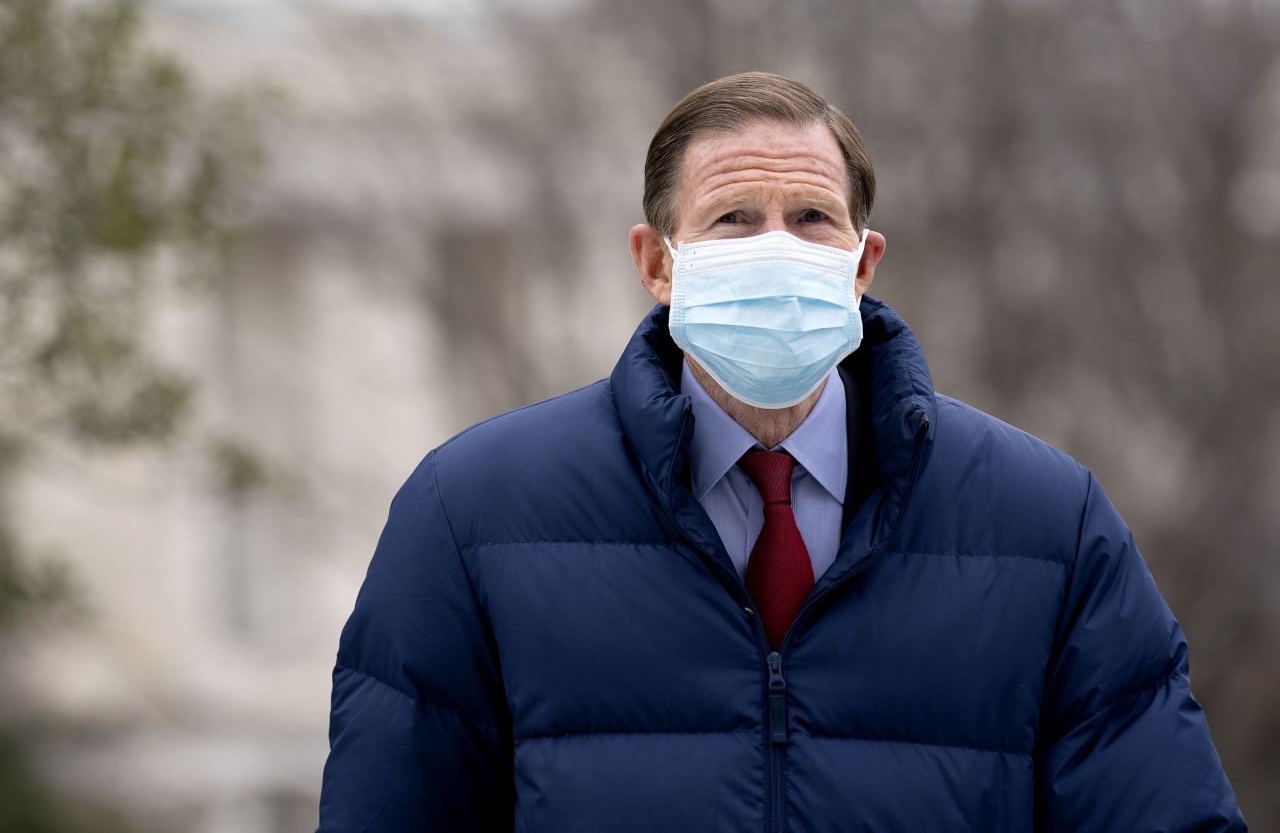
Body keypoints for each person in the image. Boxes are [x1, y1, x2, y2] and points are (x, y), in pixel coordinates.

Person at [316, 72, 1246, 832]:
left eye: (810, 218)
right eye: (732, 220)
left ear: (863, 260)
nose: (777, 247)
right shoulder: (473, 512)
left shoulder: (1046, 520)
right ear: (656, 261)